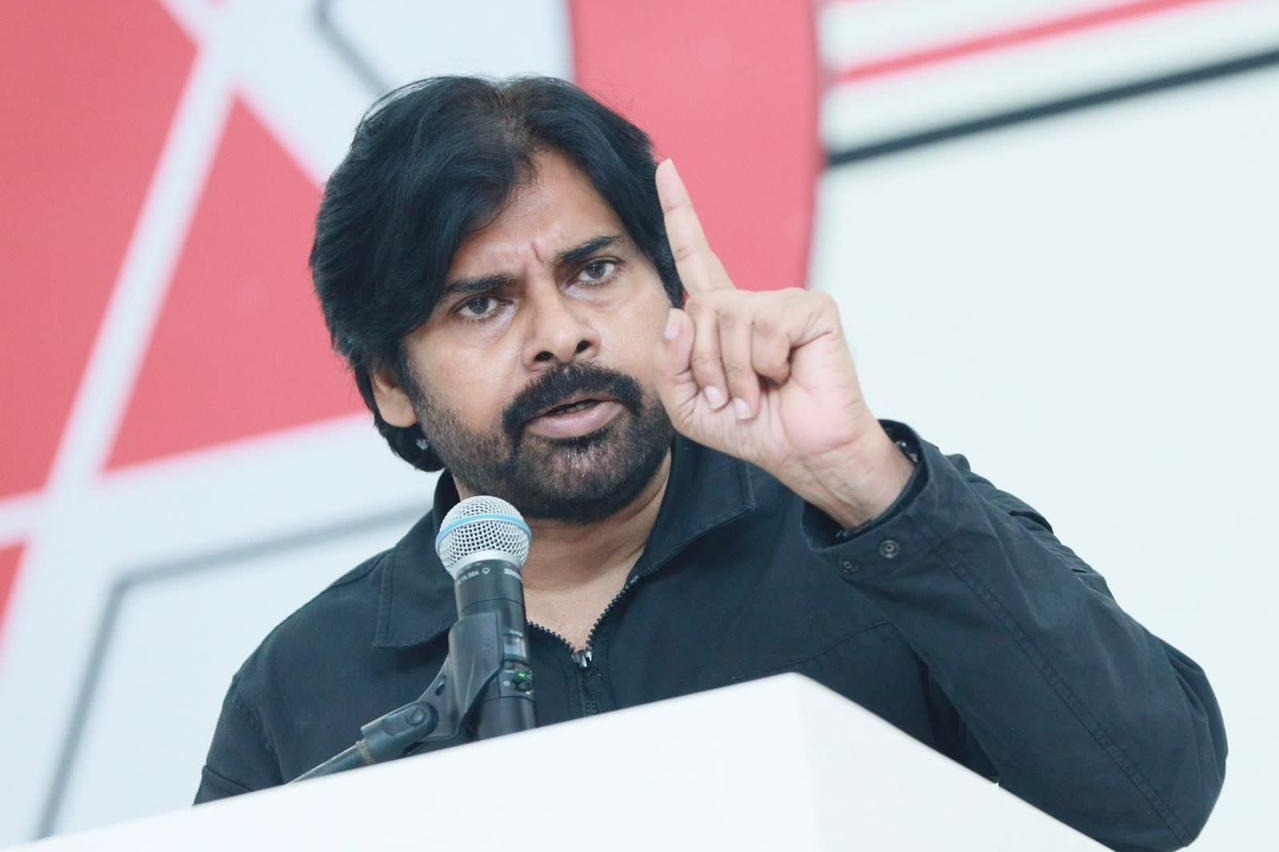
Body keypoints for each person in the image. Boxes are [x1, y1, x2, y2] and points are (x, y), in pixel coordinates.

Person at [195, 76, 1225, 850]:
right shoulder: (307, 686)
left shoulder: (878, 531)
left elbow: (1154, 798)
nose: (560, 335)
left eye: (594, 271)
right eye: (483, 303)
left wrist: (863, 483)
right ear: (390, 381)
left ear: (671, 289)